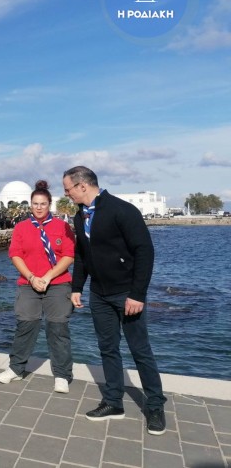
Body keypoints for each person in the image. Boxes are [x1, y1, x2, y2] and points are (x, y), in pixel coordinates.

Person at [63, 166, 166, 435]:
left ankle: (155, 405)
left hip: (126, 293)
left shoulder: (122, 210)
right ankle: (113, 402)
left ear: (82, 185)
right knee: (108, 348)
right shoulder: (80, 216)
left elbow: (144, 252)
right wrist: (77, 287)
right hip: (99, 294)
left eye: (68, 189)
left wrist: (137, 294)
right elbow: (82, 255)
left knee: (140, 350)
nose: (66, 194)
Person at [0, 180, 76, 393]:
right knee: (25, 326)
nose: (39, 207)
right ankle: (16, 368)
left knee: (58, 329)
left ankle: (62, 374)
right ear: (30, 205)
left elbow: (69, 255)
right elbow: (15, 255)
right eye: (35, 203)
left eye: (43, 204)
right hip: (28, 283)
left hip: (57, 283)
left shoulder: (62, 227)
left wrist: (48, 276)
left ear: (49, 204)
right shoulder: (21, 228)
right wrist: (32, 277)